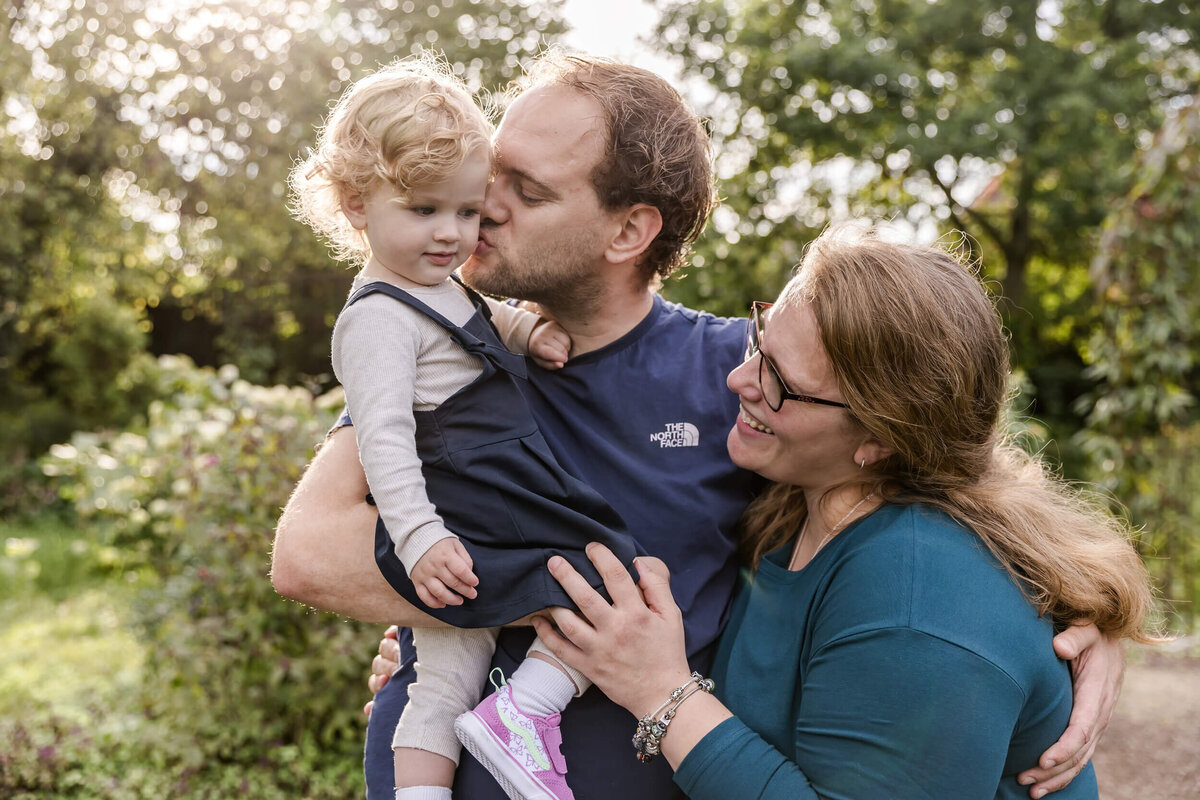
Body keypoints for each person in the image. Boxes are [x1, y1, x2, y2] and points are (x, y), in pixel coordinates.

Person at [271, 52, 1123, 800]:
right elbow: (309, 554)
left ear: (629, 230)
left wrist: (1089, 621)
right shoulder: (447, 352)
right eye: (492, 172)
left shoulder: (742, 383)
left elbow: (942, 480)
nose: (477, 206)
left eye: (525, 191)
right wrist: (504, 606)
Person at [525, 227, 1161, 799]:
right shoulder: (795, 498)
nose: (738, 381)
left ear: (880, 438)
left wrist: (660, 691)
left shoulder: (919, 602)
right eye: (758, 339)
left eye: (778, 379)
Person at [287, 54, 643, 800]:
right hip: (477, 487)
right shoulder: (377, 318)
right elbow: (384, 437)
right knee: (618, 575)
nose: (454, 235)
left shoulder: (431, 282)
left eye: (467, 211)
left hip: (470, 497)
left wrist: (521, 332)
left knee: (443, 676)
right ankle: (529, 707)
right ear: (356, 204)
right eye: (425, 211)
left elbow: (468, 325)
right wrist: (419, 538)